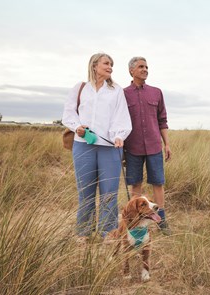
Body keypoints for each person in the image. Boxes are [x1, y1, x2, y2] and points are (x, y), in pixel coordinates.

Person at [62, 53, 132, 242]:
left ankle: (107, 232)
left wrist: (119, 136)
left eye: (112, 64)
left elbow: (122, 116)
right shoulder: (80, 88)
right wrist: (77, 127)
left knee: (109, 192)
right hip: (83, 146)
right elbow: (68, 113)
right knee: (86, 190)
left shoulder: (116, 90)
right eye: (106, 63)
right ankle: (83, 232)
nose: (110, 67)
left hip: (110, 147)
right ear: (94, 65)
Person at [124, 56, 172, 235]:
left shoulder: (156, 92)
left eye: (146, 67)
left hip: (154, 146)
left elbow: (163, 120)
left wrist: (167, 144)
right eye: (141, 67)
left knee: (158, 183)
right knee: (135, 184)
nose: (145, 69)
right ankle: (136, 220)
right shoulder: (123, 94)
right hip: (132, 147)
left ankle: (162, 222)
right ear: (131, 71)